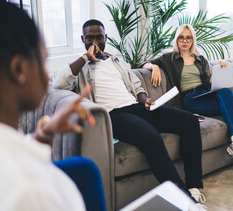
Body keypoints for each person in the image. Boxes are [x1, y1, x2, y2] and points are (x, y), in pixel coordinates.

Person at [51, 19, 206, 204]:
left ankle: (194, 186)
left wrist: (144, 99)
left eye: (99, 37)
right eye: (90, 38)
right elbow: (58, 82)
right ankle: (185, 201)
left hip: (137, 107)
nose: (95, 42)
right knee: (152, 138)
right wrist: (85, 57)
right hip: (113, 115)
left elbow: (136, 84)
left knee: (189, 121)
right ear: (82, 39)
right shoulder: (79, 67)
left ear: (105, 37)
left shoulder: (117, 61)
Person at [0, 1, 106, 210]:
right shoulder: (31, 191)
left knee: (84, 169)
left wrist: (42, 137)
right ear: (18, 69)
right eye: (43, 62)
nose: (46, 77)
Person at [141, 24, 233, 178]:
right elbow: (142, 63)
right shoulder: (169, 58)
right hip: (190, 100)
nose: (184, 41)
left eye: (188, 37)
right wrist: (154, 67)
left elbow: (209, 84)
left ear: (192, 40)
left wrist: (221, 70)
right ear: (176, 39)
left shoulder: (200, 59)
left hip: (205, 94)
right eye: (181, 37)